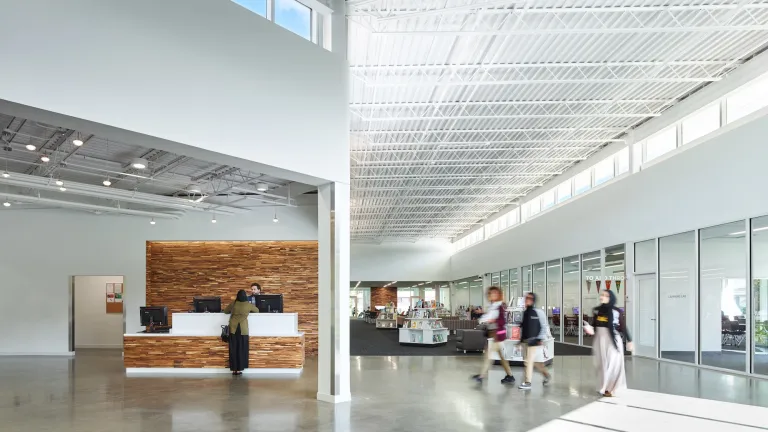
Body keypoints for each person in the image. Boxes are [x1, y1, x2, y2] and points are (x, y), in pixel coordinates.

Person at [584, 289, 633, 397]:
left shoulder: (616, 311)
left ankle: (611, 388)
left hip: (613, 340)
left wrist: (629, 340)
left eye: (606, 296)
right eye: (602, 295)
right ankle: (604, 386)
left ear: (611, 298)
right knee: (602, 364)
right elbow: (594, 324)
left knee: (613, 364)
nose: (603, 297)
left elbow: (623, 327)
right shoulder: (596, 310)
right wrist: (589, 328)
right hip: (599, 340)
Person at [472, 286, 515, 385]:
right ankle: (510, 375)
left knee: (488, 354)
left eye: (495, 293)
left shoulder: (500, 306)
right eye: (491, 293)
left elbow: (501, 320)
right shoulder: (493, 306)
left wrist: (492, 320)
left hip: (497, 335)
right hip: (493, 334)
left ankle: (481, 376)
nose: (493, 295)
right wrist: (485, 317)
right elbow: (489, 316)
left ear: (499, 295)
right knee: (501, 357)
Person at [518, 292, 551, 390]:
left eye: (530, 298)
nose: (527, 300)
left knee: (528, 362)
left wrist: (539, 338)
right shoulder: (525, 312)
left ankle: (527, 382)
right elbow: (524, 328)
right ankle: (546, 375)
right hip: (526, 342)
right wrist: (520, 341)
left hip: (535, 341)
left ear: (533, 300)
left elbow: (544, 326)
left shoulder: (539, 312)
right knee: (535, 362)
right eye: (526, 298)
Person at [223, 289, 259, 375]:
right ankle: (239, 369)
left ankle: (234, 369)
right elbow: (257, 310)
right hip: (243, 329)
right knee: (241, 349)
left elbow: (225, 311)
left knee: (233, 349)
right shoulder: (248, 305)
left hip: (233, 329)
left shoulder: (234, 303)